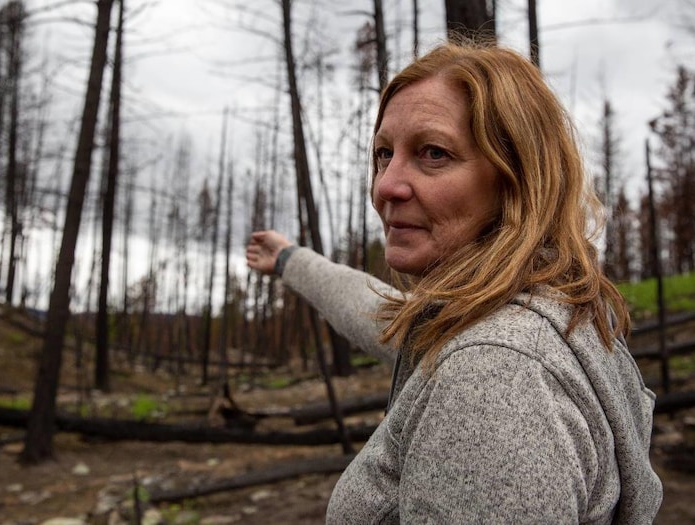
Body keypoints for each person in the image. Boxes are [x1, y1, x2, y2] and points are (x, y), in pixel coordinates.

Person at [246, 40, 662, 524]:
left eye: (434, 153)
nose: (385, 186)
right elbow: (379, 314)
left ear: (518, 181)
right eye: (384, 153)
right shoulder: (525, 311)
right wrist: (290, 261)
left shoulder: (494, 373)